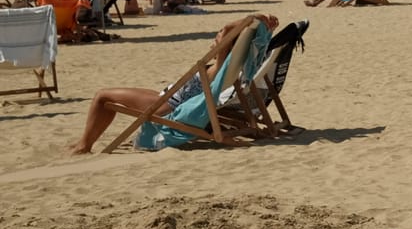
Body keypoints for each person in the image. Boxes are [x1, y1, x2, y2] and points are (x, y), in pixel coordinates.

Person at [70, 15, 280, 153]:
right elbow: (227, 33)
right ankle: (86, 143)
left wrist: (251, 20)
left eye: (218, 37)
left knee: (102, 96)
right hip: (168, 98)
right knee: (109, 97)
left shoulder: (219, 65)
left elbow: (226, 29)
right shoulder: (226, 68)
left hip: (167, 105)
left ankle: (84, 145)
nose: (216, 37)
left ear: (225, 44)